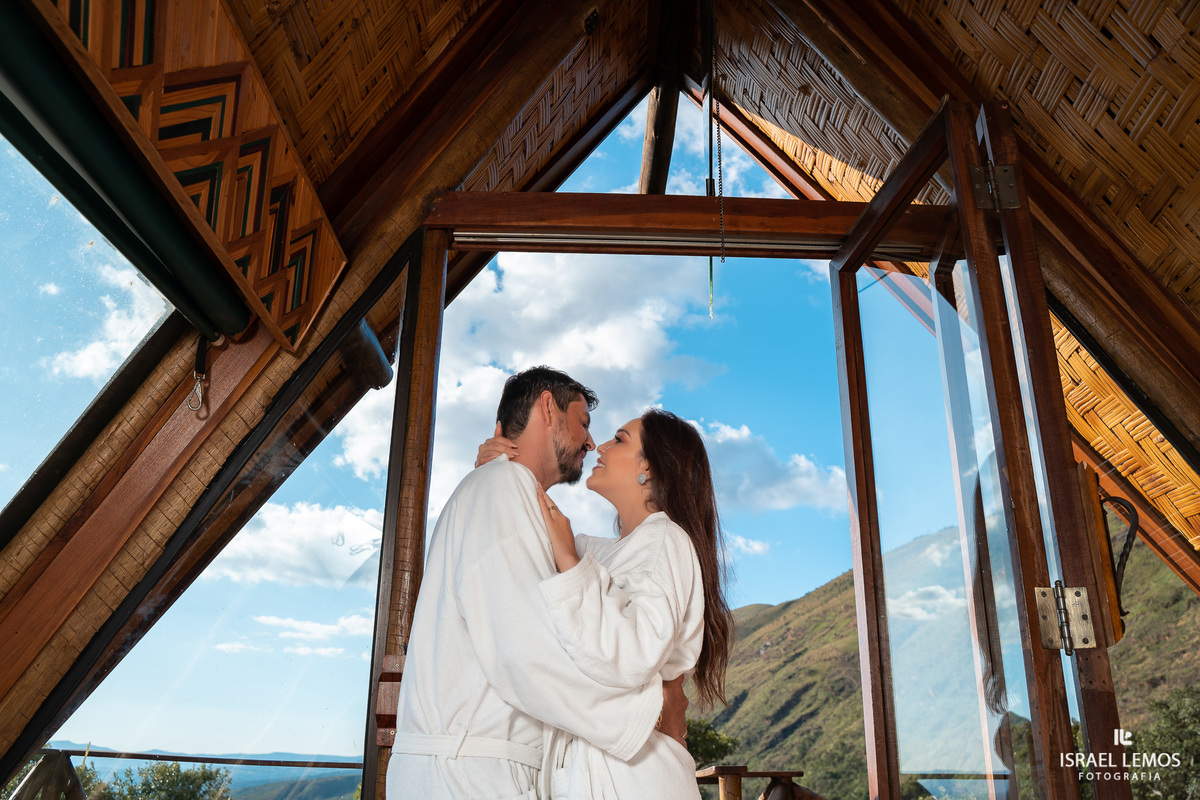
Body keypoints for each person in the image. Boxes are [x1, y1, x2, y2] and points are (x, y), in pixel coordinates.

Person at [386, 367, 686, 800]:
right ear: (548, 407)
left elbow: (596, 563)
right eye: (583, 423)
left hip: (473, 769)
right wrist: (651, 714)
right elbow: (526, 653)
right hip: (469, 776)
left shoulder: (507, 492)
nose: (590, 441)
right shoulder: (501, 487)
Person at [477, 408, 734, 799]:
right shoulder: (605, 551)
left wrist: (568, 561)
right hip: (610, 771)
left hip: (635, 778)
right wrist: (498, 472)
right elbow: (529, 533)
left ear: (650, 467)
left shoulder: (666, 540)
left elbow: (631, 652)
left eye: (620, 439)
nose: (600, 445)